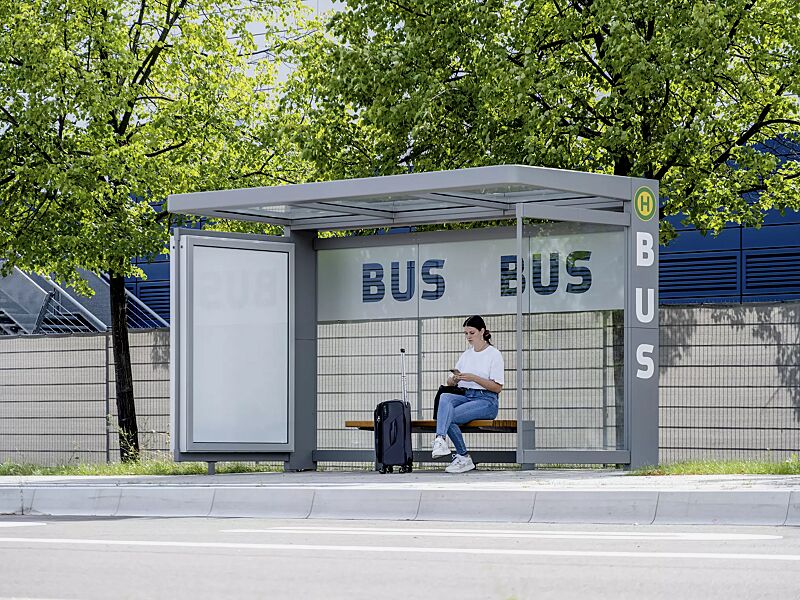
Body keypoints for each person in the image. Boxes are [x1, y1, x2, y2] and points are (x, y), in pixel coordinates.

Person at [432, 315, 504, 473]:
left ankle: (462, 456)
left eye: (471, 333)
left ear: (482, 331)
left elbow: (497, 388)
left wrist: (474, 378)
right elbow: (450, 382)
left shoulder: (494, 354)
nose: (468, 337)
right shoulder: (466, 355)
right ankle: (440, 440)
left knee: (447, 416)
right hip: (466, 395)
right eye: (466, 333)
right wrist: (454, 380)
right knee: (445, 398)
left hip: (487, 401)